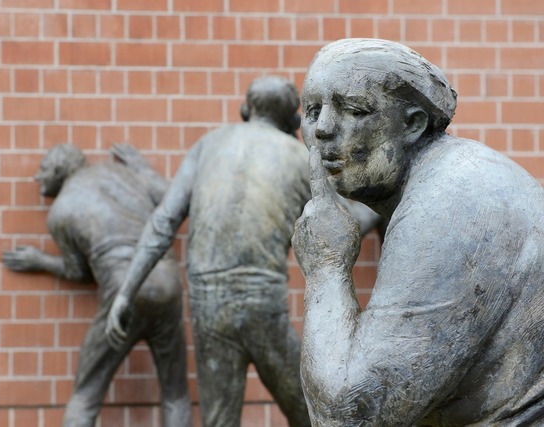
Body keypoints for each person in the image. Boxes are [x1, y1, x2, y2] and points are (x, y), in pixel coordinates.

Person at [293, 38, 544, 426]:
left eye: (354, 109)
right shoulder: (444, 182)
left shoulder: (454, 197)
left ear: (411, 124)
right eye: (312, 110)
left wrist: (326, 265)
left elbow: (349, 417)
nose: (323, 129)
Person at [106, 75, 315, 427]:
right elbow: (344, 222)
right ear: (293, 120)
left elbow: (164, 221)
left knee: (219, 420)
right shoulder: (299, 157)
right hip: (262, 302)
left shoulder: (208, 144)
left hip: (210, 302)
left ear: (245, 109)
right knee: (311, 412)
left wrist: (126, 292)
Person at [2, 143, 191, 427]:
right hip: (167, 282)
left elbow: (80, 273)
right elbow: (173, 200)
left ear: (58, 170)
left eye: (42, 169)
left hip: (122, 288)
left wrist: (40, 261)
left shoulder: (61, 211)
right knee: (175, 394)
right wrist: (141, 166)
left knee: (85, 395)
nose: (37, 177)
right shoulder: (122, 173)